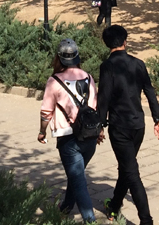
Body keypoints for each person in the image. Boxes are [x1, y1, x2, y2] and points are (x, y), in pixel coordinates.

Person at [96, 25, 159, 225]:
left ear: (107, 44)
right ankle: (115, 205)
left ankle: (146, 220)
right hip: (139, 126)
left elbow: (104, 98)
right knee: (126, 168)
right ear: (125, 41)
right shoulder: (138, 64)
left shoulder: (107, 66)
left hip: (120, 128)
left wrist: (100, 125)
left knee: (132, 173)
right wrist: (157, 118)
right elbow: (149, 91)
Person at [38, 38, 99, 223]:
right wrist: (99, 131)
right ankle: (65, 207)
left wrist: (42, 131)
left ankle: (90, 220)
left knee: (79, 181)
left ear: (58, 58)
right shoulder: (88, 77)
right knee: (76, 174)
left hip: (68, 138)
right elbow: (94, 106)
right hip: (89, 136)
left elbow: (46, 112)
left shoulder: (54, 81)